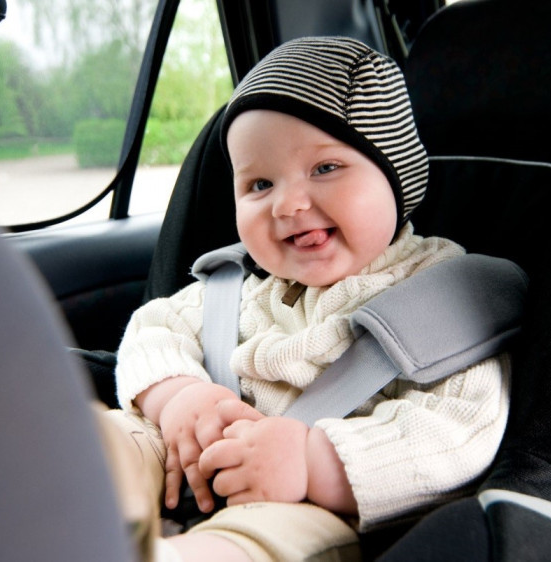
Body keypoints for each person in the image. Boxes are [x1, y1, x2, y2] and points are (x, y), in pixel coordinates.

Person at [99, 36, 511, 562]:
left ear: (395, 178)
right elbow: (155, 328)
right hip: (196, 456)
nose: (289, 204)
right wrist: (180, 397)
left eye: (325, 169)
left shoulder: (443, 294)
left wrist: (312, 463)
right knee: (118, 440)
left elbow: (461, 430)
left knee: (258, 545)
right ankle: (45, 491)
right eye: (259, 184)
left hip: (315, 505)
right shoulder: (244, 286)